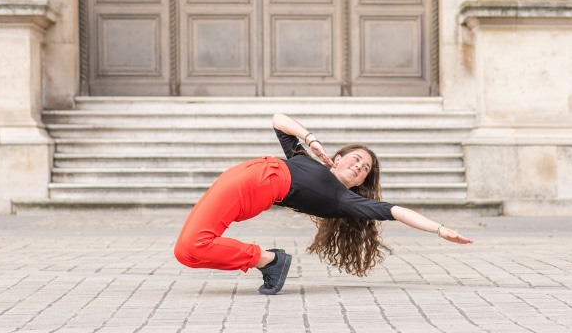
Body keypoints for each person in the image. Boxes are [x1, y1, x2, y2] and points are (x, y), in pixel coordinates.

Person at [174, 113, 474, 295]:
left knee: (192, 246)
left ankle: (268, 260)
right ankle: (268, 261)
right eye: (356, 158)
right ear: (339, 157)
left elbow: (393, 210)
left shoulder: (343, 200)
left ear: (360, 183)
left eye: (365, 168)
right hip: (241, 175)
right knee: (184, 252)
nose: (359, 166)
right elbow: (278, 120)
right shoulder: (304, 158)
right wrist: (310, 138)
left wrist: (439, 229)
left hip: (252, 187)